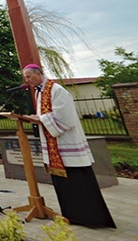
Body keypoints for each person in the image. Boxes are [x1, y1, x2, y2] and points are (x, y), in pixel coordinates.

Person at [22, 63, 116, 228]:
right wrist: (38, 118)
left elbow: (67, 118)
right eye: (25, 77)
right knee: (64, 184)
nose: (27, 80)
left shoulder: (57, 90)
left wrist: (41, 119)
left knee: (78, 181)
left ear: (38, 74)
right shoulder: (41, 92)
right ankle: (72, 215)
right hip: (55, 146)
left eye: (29, 76)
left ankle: (92, 218)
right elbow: (46, 115)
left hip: (67, 144)